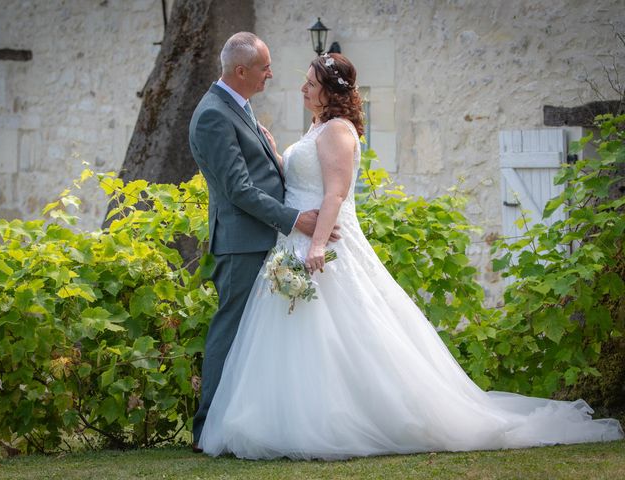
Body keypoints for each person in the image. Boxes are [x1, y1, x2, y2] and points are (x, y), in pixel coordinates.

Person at [197, 53, 624, 460]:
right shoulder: (315, 130)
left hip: (322, 242)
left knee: (344, 334)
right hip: (294, 240)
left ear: (329, 91)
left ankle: (352, 419)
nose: (302, 88)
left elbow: (335, 194)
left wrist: (318, 244)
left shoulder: (337, 131)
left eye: (310, 83)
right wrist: (275, 150)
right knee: (299, 337)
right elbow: (296, 179)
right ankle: (286, 418)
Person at [187, 32, 339, 452]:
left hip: (259, 238)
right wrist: (296, 220)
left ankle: (239, 423)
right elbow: (237, 189)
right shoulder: (214, 115)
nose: (271, 74)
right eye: (265, 67)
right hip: (241, 243)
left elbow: (257, 171)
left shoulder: (237, 106)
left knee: (253, 339)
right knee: (230, 333)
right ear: (241, 71)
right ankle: (206, 431)